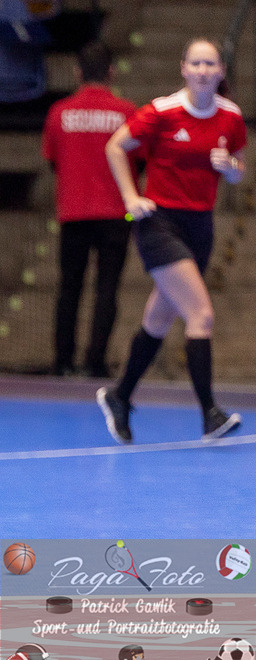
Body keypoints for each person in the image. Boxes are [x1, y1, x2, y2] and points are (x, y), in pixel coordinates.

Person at [98, 38, 245, 443]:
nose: (202, 70)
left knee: (159, 319)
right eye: (195, 63)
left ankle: (120, 395)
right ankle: (210, 415)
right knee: (201, 315)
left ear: (219, 72)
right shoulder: (162, 111)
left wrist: (229, 166)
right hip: (159, 223)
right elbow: (115, 146)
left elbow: (238, 173)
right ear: (183, 68)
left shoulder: (230, 117)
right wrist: (130, 197)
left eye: (209, 64)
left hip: (201, 226)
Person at [42, 41, 137, 378]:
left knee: (69, 288)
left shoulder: (59, 112)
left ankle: (63, 362)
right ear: (111, 72)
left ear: (77, 72)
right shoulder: (127, 113)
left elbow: (53, 159)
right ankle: (95, 362)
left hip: (73, 214)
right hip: (117, 214)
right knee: (107, 288)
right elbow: (137, 162)